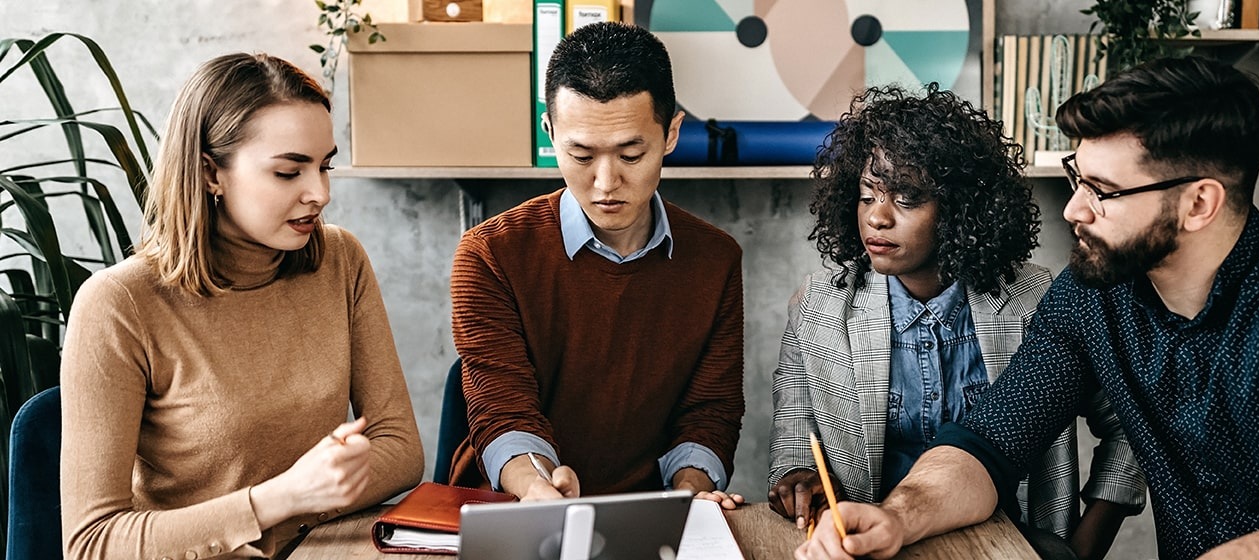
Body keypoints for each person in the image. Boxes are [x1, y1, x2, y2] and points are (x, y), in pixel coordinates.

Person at [795, 56, 1259, 560]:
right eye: (1078, 179)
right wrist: (899, 515)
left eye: (1102, 191)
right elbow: (987, 444)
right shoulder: (1092, 293)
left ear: (1199, 203)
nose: (1074, 210)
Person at [60, 53, 424, 558]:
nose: (319, 193)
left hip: (325, 547)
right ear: (211, 173)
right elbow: (92, 543)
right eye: (287, 172)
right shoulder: (119, 304)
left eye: (325, 166)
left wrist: (306, 502)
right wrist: (275, 501)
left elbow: (401, 448)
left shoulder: (341, 260)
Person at [768, 84, 1145, 560]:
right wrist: (796, 478)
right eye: (867, 196)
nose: (877, 218)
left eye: (905, 198)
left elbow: (1129, 427)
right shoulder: (818, 306)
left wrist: (1082, 549)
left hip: (1013, 545)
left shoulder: (1039, 300)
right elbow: (793, 443)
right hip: (869, 546)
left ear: (960, 209)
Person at [446, 22, 745, 507]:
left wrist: (688, 495)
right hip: (513, 507)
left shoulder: (715, 259)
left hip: (648, 516)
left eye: (631, 154)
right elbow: (503, 408)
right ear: (550, 133)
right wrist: (540, 483)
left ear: (670, 134)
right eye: (580, 154)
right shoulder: (490, 254)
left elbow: (709, 413)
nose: (606, 182)